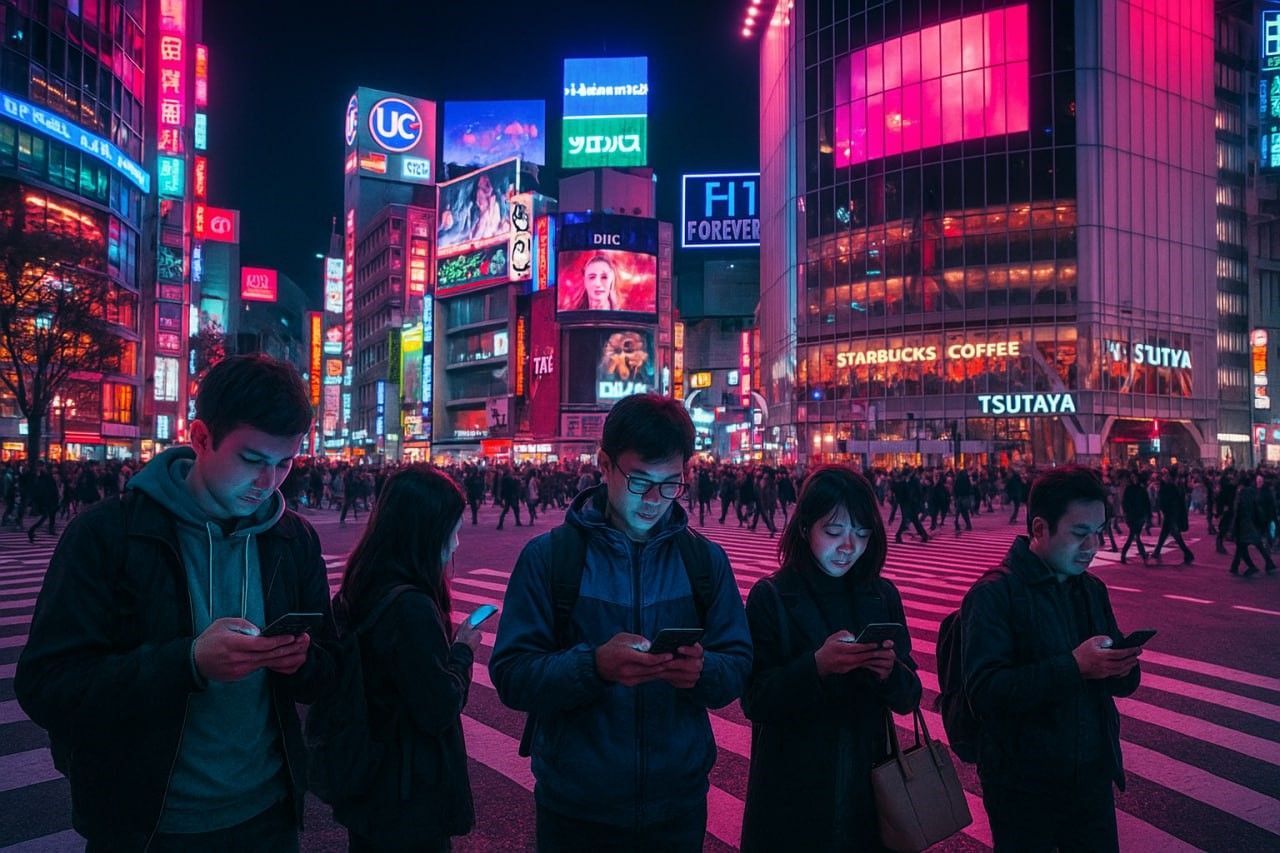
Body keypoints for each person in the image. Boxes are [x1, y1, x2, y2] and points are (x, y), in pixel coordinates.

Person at [15, 354, 336, 851]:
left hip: (269, 813)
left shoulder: (293, 540)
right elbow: (46, 685)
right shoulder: (108, 535)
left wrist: (300, 660)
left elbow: (326, 670)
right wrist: (187, 662)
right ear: (201, 437)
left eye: (285, 463)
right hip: (146, 822)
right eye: (252, 460)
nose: (268, 483)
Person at [490, 394, 752, 852]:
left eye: (671, 484)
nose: (655, 500)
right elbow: (512, 673)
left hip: (678, 805)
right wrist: (594, 667)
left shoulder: (704, 562)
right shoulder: (551, 559)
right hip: (576, 808)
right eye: (640, 482)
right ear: (604, 465)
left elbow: (737, 662)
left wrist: (702, 671)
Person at [740, 466, 922, 851]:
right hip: (792, 795)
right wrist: (816, 667)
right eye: (834, 531)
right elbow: (755, 699)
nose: (848, 547)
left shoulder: (882, 595)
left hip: (869, 791)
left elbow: (910, 698)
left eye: (861, 533)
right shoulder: (772, 597)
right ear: (805, 528)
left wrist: (890, 673)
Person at [961, 466, 1142, 853]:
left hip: (1091, 778)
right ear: (1040, 529)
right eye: (1080, 534)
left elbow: (1114, 683)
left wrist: (1122, 668)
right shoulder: (993, 595)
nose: (1093, 545)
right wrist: (1075, 666)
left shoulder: (1091, 588)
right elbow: (985, 692)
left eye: (1099, 531)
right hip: (1022, 788)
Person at [331, 466, 482, 850]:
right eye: (453, 529)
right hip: (407, 789)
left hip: (369, 776)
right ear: (426, 530)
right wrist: (462, 651)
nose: (457, 544)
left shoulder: (362, 581)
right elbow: (437, 706)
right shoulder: (411, 606)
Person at [1229, 473, 1277, 576]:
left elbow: (1237, 511)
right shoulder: (1252, 493)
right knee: (1251, 545)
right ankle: (1237, 566)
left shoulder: (1241, 494)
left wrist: (1232, 528)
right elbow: (1256, 509)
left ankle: (1250, 566)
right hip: (1250, 523)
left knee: (1243, 546)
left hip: (1243, 524)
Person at [1151, 470, 1194, 564]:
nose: (1165, 477)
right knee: (1168, 535)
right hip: (1171, 514)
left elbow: (1170, 502)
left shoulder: (1171, 488)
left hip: (1171, 514)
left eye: (1167, 476)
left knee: (1173, 535)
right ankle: (1157, 552)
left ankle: (1188, 554)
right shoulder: (1173, 487)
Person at [1119, 471, 1151, 564]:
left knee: (1134, 536)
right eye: (1132, 478)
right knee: (1135, 536)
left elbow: (1147, 503)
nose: (1134, 479)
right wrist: (1125, 513)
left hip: (1140, 515)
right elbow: (1124, 502)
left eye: (1135, 477)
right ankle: (1143, 555)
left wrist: (1148, 515)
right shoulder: (1129, 489)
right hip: (1131, 516)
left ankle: (1124, 555)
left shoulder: (1141, 489)